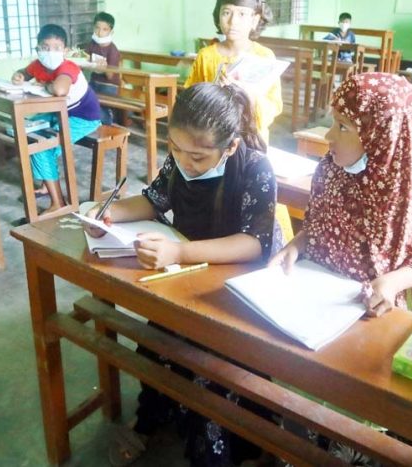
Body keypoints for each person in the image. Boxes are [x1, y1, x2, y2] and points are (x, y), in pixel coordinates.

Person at [87, 82, 281, 466]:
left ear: (229, 146)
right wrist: (106, 214)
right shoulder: (180, 159)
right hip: (183, 278)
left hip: (231, 289)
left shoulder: (254, 167)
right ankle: (154, 417)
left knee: (212, 377)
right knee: (160, 346)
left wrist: (180, 251)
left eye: (198, 156)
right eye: (175, 149)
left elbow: (254, 243)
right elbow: (155, 199)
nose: (184, 161)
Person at [268, 73, 412, 319]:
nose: (329, 136)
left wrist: (392, 283)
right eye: (333, 122)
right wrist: (296, 245)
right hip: (312, 291)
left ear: (382, 135)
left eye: (343, 126)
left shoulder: (408, 189)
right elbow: (316, 226)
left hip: (369, 309)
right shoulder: (331, 169)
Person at [12, 23, 102, 213]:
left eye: (56, 48)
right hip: (58, 113)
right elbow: (26, 73)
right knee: (25, 132)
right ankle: (47, 185)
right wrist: (19, 75)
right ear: (38, 49)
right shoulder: (38, 65)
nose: (50, 52)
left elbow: (60, 90)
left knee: (42, 145)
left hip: (82, 117)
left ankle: (58, 203)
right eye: (45, 48)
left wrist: (46, 86)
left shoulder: (67, 67)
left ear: (65, 51)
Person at [184, 0, 282, 143]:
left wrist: (249, 94)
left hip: (251, 139)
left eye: (242, 14)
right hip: (213, 138)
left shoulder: (264, 56)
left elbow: (274, 106)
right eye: (226, 12)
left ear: (255, 20)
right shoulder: (206, 55)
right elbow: (191, 99)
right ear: (218, 16)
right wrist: (215, 92)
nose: (233, 21)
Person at [85, 11, 121, 125]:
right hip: (94, 82)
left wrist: (104, 67)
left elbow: (110, 76)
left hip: (109, 85)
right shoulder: (93, 44)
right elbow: (85, 58)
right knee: (84, 99)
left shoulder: (112, 50)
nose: (100, 33)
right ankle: (93, 124)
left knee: (100, 107)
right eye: (97, 28)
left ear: (111, 31)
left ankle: (107, 122)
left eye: (104, 29)